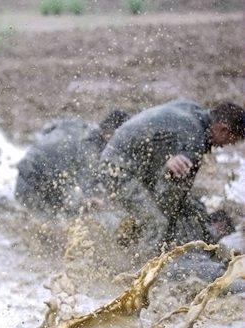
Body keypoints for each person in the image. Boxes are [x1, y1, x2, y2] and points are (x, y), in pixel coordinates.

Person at [99, 99, 245, 249]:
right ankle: (142, 268)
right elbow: (168, 197)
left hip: (125, 159)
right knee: (157, 223)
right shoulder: (195, 139)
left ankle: (128, 240)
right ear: (223, 130)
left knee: (187, 208)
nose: (228, 145)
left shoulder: (192, 108)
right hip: (117, 170)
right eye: (232, 140)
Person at [15, 109, 130, 213]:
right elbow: (82, 192)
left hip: (26, 168)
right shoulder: (90, 154)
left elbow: (47, 129)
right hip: (29, 190)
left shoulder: (79, 125)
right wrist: (93, 201)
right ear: (108, 135)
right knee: (79, 212)